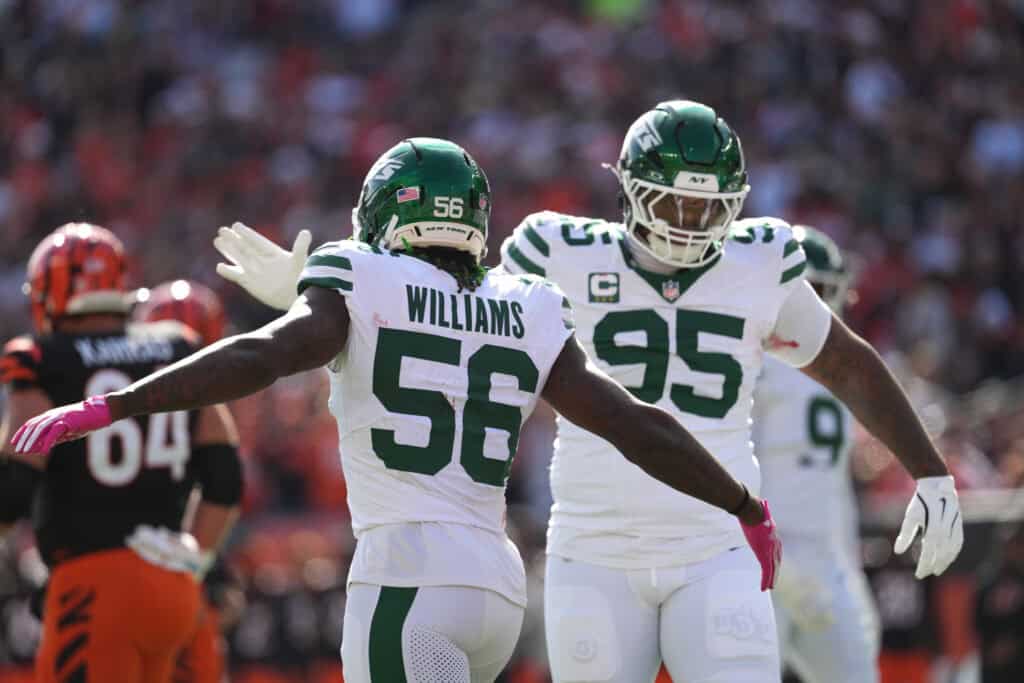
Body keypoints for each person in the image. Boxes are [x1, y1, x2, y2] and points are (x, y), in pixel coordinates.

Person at [10, 138, 782, 683]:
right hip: (498, 590)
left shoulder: (361, 275)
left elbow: (260, 357)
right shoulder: (528, 301)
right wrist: (742, 501)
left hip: (408, 581)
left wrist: (117, 403)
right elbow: (635, 421)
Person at [496, 100, 962, 682]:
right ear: (631, 191)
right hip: (594, 547)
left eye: (709, 206)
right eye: (677, 202)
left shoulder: (757, 260)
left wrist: (930, 469)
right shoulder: (558, 251)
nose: (691, 221)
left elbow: (844, 363)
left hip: (716, 544)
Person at [0, 223, 242, 683]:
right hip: (175, 592)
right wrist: (195, 563)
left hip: (92, 588)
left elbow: (13, 487)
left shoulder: (39, 357)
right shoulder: (177, 345)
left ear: (49, 293)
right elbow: (225, 478)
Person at [752, 226, 880, 682]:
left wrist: (846, 561)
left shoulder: (844, 366)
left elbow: (833, 481)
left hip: (826, 556)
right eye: (812, 290)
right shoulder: (754, 360)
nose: (819, 306)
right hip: (761, 553)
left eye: (827, 291)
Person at [133, 279, 242, 683]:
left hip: (116, 570)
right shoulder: (208, 411)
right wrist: (204, 570)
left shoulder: (118, 393)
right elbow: (222, 488)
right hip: (176, 579)